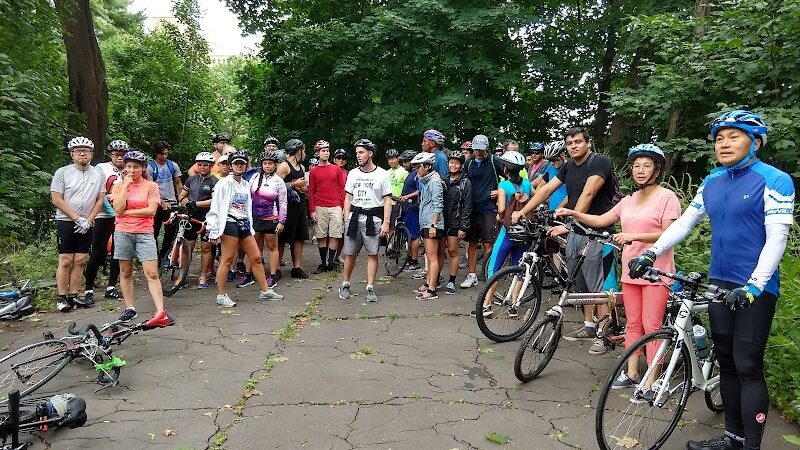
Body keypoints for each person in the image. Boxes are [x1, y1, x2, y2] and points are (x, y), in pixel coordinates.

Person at [629, 110, 795, 450]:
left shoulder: (775, 180)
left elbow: (777, 238)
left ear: (755, 142)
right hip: (719, 283)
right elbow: (685, 223)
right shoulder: (713, 180)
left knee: (747, 366)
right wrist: (651, 252)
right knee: (728, 363)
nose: (724, 144)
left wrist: (755, 285)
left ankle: (751, 446)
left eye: (734, 137)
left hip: (755, 288)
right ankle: (733, 438)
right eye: (719, 138)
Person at [555, 143, 679, 366]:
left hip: (656, 273)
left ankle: (653, 378)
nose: (640, 170)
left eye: (647, 166)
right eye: (636, 166)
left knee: (652, 326)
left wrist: (633, 236)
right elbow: (601, 220)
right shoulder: (628, 200)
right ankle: (631, 373)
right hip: (632, 271)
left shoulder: (667, 197)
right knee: (633, 324)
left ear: (657, 171)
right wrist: (574, 213)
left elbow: (669, 234)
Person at [512, 127, 617, 345]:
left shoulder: (599, 162)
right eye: (569, 143)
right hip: (577, 232)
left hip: (598, 233)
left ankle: (603, 334)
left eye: (578, 142)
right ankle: (589, 326)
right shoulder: (569, 166)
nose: (573, 146)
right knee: (580, 283)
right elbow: (545, 190)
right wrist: (523, 211)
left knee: (598, 287)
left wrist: (569, 224)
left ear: (588, 143)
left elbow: (588, 193)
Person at [206, 151, 282, 307]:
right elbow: (215, 207)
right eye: (236, 163)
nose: (239, 166)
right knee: (227, 260)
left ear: (246, 166)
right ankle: (221, 295)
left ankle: (265, 291)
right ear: (231, 166)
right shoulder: (224, 184)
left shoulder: (246, 184)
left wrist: (251, 227)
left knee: (256, 258)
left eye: (242, 163)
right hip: (229, 223)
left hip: (244, 224)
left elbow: (246, 208)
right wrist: (213, 231)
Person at [111, 150, 174, 327]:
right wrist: (125, 187)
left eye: (136, 167)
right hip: (123, 232)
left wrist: (126, 213)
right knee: (125, 272)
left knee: (152, 273)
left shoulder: (151, 186)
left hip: (144, 232)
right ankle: (129, 308)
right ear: (124, 167)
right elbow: (118, 208)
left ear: (143, 167)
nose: (132, 170)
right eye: (129, 166)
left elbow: (151, 211)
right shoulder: (119, 185)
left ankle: (161, 311)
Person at [474, 151, 532, 317]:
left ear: (505, 169)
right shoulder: (527, 184)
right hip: (524, 232)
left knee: (494, 268)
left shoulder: (503, 186)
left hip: (508, 232)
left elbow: (501, 210)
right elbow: (535, 199)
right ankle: (513, 306)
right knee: (519, 269)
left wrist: (501, 215)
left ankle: (487, 305)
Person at [51, 136, 104, 312]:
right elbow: (56, 199)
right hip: (66, 220)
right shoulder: (62, 172)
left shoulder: (98, 174)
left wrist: (88, 221)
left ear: (92, 154)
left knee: (80, 260)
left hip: (87, 222)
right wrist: (76, 218)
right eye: (78, 151)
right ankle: (61, 298)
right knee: (66, 260)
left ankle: (73, 295)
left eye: (86, 150)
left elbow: (100, 199)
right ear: (72, 154)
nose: (82, 153)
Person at [338, 139, 391, 302]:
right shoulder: (353, 173)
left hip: (373, 219)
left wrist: (386, 222)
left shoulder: (382, 174)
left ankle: (370, 287)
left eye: (361, 152)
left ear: (370, 153)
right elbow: (348, 198)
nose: (358, 156)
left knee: (373, 254)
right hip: (355, 217)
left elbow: (387, 200)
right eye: (357, 153)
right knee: (350, 253)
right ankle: (345, 284)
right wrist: (346, 218)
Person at [84, 139, 127, 304]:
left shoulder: (129, 169)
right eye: (116, 155)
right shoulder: (101, 168)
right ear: (110, 155)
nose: (119, 158)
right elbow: (98, 193)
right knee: (97, 252)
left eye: (122, 155)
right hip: (103, 215)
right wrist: (111, 212)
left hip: (122, 216)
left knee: (118, 252)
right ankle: (88, 289)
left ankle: (111, 287)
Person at [460, 134, 500, 289]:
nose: (478, 152)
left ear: (487, 148)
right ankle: (472, 275)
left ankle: (489, 274)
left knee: (488, 243)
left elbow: (510, 176)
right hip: (471, 208)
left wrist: (500, 191)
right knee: (471, 243)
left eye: (481, 149)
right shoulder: (469, 162)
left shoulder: (494, 161)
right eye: (476, 149)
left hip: (488, 208)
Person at [177, 152, 218, 289]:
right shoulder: (191, 179)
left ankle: (203, 275)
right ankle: (182, 276)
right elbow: (182, 195)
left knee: (206, 248)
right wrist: (184, 201)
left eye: (205, 164)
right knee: (187, 247)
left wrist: (196, 203)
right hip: (191, 217)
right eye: (200, 164)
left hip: (207, 218)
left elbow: (215, 200)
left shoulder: (214, 181)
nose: (202, 167)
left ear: (211, 166)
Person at [407, 152, 444, 300]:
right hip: (427, 222)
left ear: (427, 166)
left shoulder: (434, 181)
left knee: (432, 257)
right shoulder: (427, 181)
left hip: (431, 223)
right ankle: (429, 283)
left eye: (418, 167)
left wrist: (434, 224)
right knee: (430, 257)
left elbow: (438, 203)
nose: (417, 170)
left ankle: (432, 290)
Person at [249, 150, 287, 289]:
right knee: (255, 247)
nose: (267, 166)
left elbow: (283, 203)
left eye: (270, 163)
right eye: (265, 163)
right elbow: (248, 197)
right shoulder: (254, 177)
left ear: (275, 165)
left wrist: (282, 221)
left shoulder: (279, 181)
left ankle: (272, 275)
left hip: (272, 217)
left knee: (272, 247)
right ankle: (251, 273)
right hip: (255, 217)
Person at [308, 142, 346, 273]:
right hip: (320, 206)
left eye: (327, 151)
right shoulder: (314, 171)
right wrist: (312, 210)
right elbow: (311, 192)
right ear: (317, 153)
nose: (326, 153)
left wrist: (342, 207)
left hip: (335, 206)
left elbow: (342, 189)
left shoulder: (336, 169)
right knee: (321, 235)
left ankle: (331, 262)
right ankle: (323, 263)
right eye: (323, 151)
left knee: (335, 234)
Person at [276, 139, 310, 279]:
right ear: (298, 151)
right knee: (282, 238)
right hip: (287, 206)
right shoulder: (284, 166)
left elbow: (303, 187)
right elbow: (276, 186)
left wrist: (304, 188)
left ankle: (297, 267)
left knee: (299, 236)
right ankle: (276, 267)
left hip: (300, 204)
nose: (305, 153)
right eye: (303, 150)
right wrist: (293, 184)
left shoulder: (302, 167)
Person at [147, 141, 184, 263]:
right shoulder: (150, 168)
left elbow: (178, 183)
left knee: (171, 233)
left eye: (166, 153)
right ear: (156, 153)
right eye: (162, 154)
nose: (164, 156)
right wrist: (161, 202)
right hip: (156, 204)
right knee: (153, 233)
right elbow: (150, 188)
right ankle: (155, 258)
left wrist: (181, 199)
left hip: (172, 203)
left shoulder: (173, 165)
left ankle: (165, 256)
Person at [442, 151, 472, 295]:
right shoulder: (443, 179)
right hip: (442, 221)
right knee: (439, 252)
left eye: (457, 163)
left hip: (456, 221)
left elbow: (467, 205)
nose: (453, 165)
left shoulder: (465, 182)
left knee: (453, 251)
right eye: (451, 162)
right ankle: (435, 278)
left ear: (461, 165)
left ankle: (451, 281)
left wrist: (463, 227)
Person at [398, 150, 422, 270]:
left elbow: (420, 190)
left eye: (406, 161)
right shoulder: (410, 174)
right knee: (409, 235)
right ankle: (410, 257)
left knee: (413, 235)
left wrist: (407, 196)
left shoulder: (417, 174)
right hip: (406, 207)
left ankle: (414, 260)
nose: (403, 164)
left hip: (413, 208)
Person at [532, 141, 568, 211]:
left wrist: (558, 209)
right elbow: (541, 186)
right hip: (552, 210)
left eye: (554, 160)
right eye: (549, 160)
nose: (552, 163)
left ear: (563, 155)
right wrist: (537, 204)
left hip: (567, 210)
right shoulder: (550, 167)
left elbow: (573, 194)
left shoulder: (571, 167)